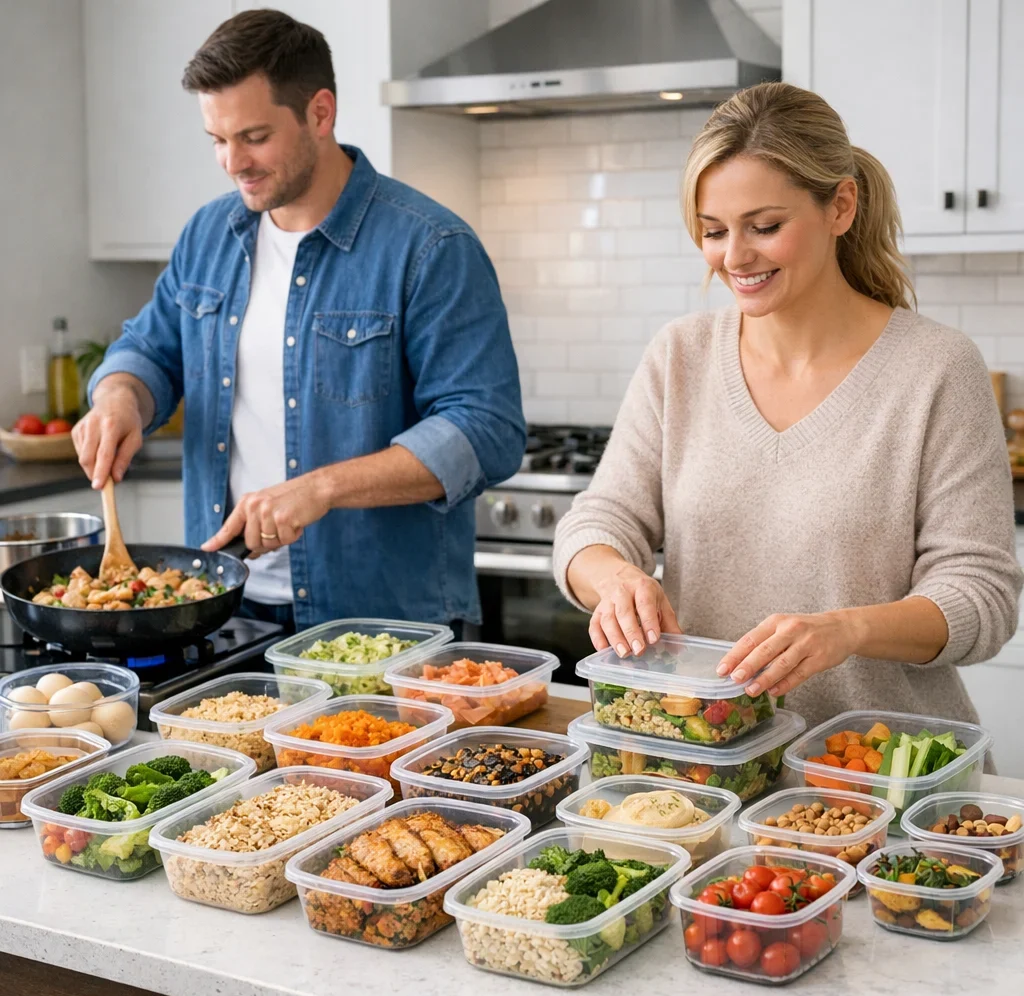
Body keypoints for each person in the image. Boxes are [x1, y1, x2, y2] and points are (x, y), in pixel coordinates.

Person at [553, 81, 1022, 730]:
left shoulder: (936, 368)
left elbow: (982, 595)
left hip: (878, 766)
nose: (734, 257)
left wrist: (848, 630)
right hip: (710, 761)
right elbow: (598, 521)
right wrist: (613, 578)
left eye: (765, 227)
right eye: (713, 231)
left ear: (841, 207)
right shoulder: (680, 355)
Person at [73, 9, 525, 635]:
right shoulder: (208, 235)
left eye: (254, 137)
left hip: (382, 625)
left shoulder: (430, 247)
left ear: (320, 113)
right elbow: (150, 349)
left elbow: (487, 429)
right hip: (226, 609)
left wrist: (322, 488)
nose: (233, 162)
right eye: (217, 140)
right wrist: (120, 398)